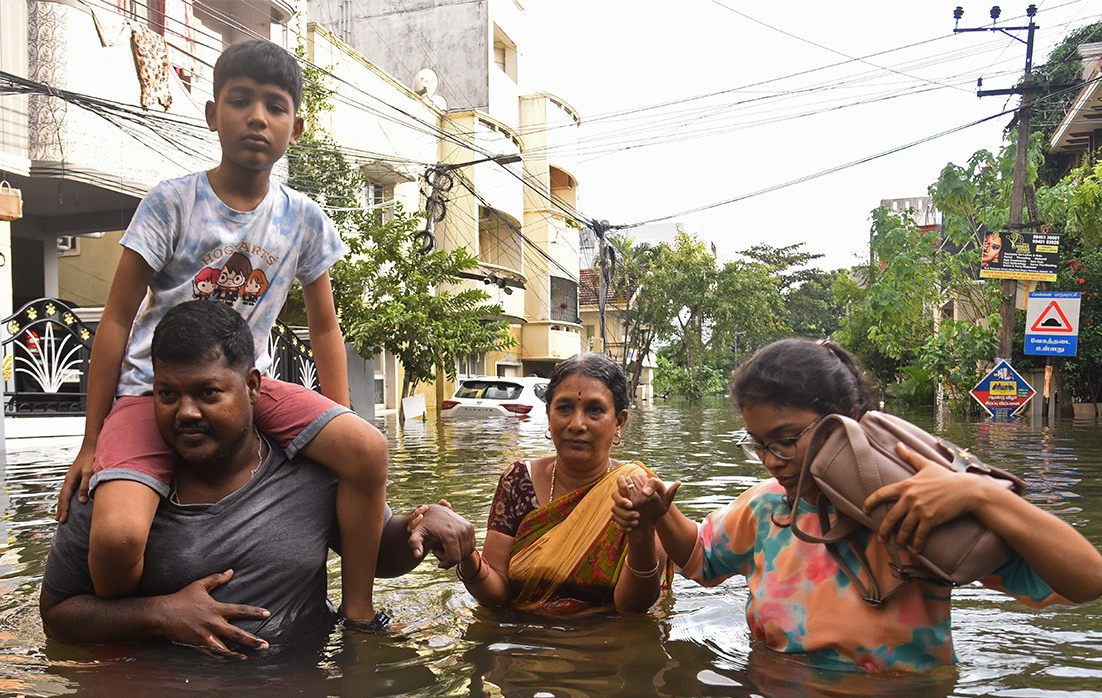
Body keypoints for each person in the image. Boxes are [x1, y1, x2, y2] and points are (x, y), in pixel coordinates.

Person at [55, 39, 388, 629]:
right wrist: (90, 441)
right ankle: (140, 619)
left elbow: (325, 325)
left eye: (275, 106)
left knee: (367, 450)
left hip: (245, 389)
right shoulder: (172, 202)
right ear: (213, 115)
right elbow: (114, 318)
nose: (257, 117)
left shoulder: (304, 218)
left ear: (296, 127)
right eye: (240, 101)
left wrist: (339, 414)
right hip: (152, 390)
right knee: (116, 536)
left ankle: (357, 611)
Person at [615, 338, 1102, 673]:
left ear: (847, 422)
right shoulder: (768, 510)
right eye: (758, 443)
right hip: (776, 697)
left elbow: (1089, 581)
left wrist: (979, 492)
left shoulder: (919, 508)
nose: (772, 461)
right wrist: (662, 515)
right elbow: (701, 563)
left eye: (787, 439)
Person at [40, 301, 474, 657]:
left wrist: (422, 522)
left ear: (251, 386)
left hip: (302, 696)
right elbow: (58, 615)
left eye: (208, 393)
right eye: (168, 394)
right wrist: (159, 613)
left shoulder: (312, 469)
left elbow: (378, 554)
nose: (186, 412)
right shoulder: (115, 488)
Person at [432, 352, 668, 615]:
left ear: (619, 422)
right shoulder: (519, 481)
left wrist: (642, 537)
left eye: (595, 410)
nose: (577, 424)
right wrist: (468, 558)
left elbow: (633, 607)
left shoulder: (638, 491)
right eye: (565, 408)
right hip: (524, 641)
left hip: (604, 642)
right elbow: (497, 594)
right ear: (548, 413)